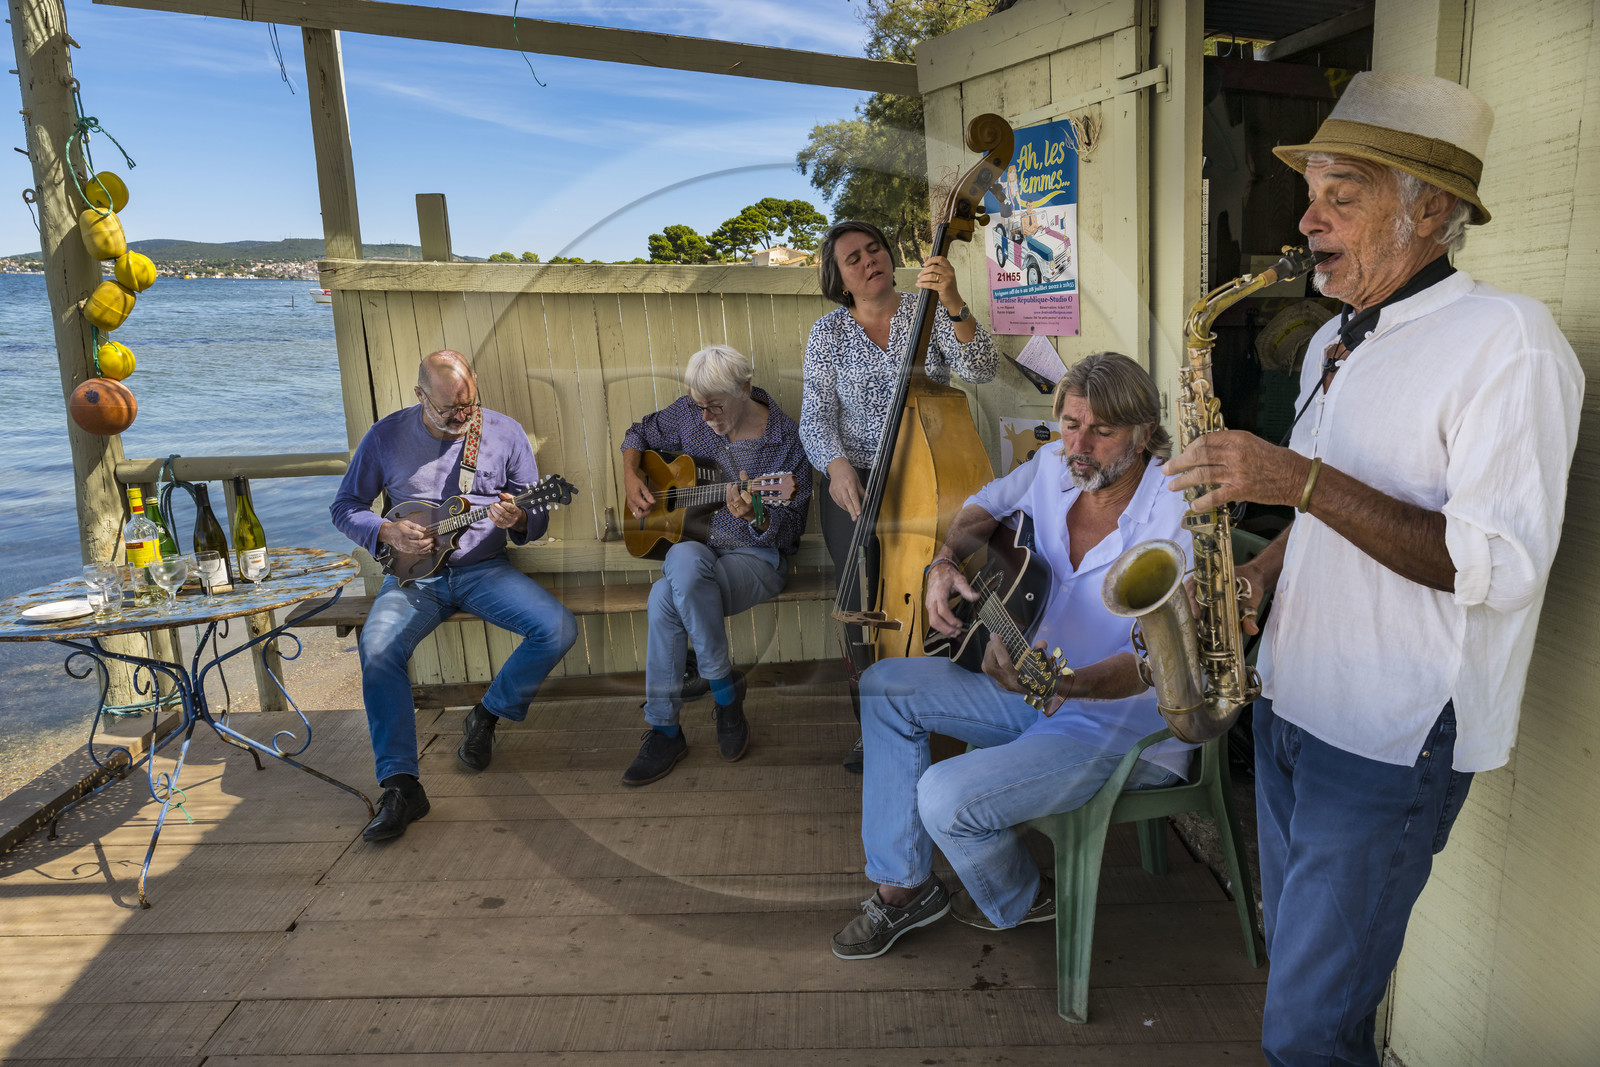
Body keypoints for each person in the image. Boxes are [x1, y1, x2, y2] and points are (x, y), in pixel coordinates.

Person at [1162, 72, 1583, 1067]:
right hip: (1292, 706)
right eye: (1309, 194)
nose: (1305, 220)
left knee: (1305, 1033)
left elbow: (1497, 563)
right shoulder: (1328, 347)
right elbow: (1331, 521)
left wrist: (1292, 477)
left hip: (1389, 739)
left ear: (1427, 208)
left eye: (1336, 195)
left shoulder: (1507, 342)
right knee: (1310, 999)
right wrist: (1263, 571)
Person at [830, 353, 1194, 959]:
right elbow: (981, 507)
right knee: (883, 686)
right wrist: (945, 560)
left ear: (1143, 433)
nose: (1080, 444)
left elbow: (1166, 657)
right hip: (1028, 686)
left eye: (1102, 432)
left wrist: (1070, 687)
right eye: (1072, 422)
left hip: (1119, 723)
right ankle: (903, 890)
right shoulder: (1053, 463)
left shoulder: (1177, 506)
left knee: (945, 797)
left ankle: (1024, 898)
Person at [331, 350, 577, 843]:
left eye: (468, 404)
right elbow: (345, 507)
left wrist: (521, 518)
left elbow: (536, 515)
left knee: (557, 629)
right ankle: (401, 786)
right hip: (414, 579)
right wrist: (388, 532)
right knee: (378, 651)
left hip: (483, 570)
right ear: (420, 396)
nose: (462, 416)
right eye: (449, 410)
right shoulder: (385, 437)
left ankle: (486, 715)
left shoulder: (504, 432)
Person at [800, 219, 1001, 769]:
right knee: (864, 604)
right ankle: (874, 724)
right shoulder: (828, 335)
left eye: (875, 249)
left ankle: (951, 713)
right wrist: (836, 465)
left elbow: (980, 368)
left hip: (928, 475)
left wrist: (954, 299)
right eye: (854, 259)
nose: (870, 261)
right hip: (856, 483)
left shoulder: (927, 310)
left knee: (946, 585)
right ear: (839, 280)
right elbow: (815, 417)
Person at [619, 344, 812, 786]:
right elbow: (638, 434)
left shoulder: (784, 441)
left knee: (665, 596)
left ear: (745, 389)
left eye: (715, 407)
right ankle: (724, 692)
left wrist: (756, 515)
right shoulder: (690, 414)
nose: (704, 417)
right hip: (696, 553)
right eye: (698, 407)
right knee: (683, 561)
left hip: (755, 559)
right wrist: (633, 476)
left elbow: (788, 531)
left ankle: (667, 729)